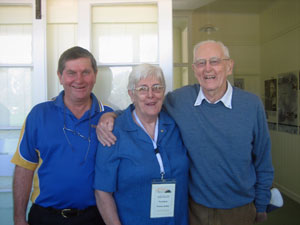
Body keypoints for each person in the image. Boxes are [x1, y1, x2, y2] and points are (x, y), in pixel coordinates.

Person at [96, 40, 274, 225]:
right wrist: (111, 116)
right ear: (194, 69)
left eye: (214, 61)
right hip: (195, 211)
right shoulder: (180, 100)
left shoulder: (251, 105)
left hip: (240, 210)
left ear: (229, 66)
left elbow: (263, 160)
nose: (207, 69)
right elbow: (144, 106)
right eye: (201, 63)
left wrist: (261, 205)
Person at [11, 46, 113, 225]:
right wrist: (19, 218)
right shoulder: (38, 115)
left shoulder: (110, 118)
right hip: (45, 217)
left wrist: (114, 115)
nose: (79, 80)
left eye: (86, 72)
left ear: (95, 75)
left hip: (95, 217)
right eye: (71, 73)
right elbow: (24, 168)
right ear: (60, 76)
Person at [94, 64, 189, 225]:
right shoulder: (114, 132)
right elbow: (102, 192)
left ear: (163, 92)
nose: (151, 95)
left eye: (157, 88)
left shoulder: (176, 125)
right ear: (132, 94)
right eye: (143, 89)